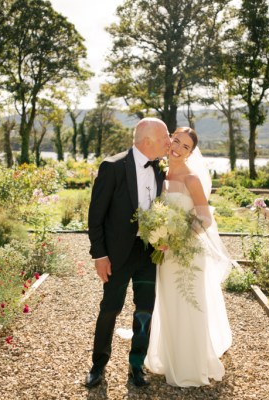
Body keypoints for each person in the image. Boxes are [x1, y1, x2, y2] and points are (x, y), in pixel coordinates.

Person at [145, 127, 234, 387]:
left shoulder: (192, 179)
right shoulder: (158, 172)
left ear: (191, 153)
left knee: (189, 305)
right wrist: (156, 233)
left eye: (186, 147)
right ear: (169, 139)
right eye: (176, 141)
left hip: (186, 255)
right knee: (167, 305)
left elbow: (205, 219)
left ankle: (189, 365)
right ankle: (167, 356)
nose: (178, 148)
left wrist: (176, 239)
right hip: (163, 254)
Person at [85, 117, 171, 388]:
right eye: (165, 136)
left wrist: (165, 236)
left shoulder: (160, 168)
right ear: (148, 141)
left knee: (144, 309)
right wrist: (100, 256)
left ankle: (137, 365)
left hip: (148, 252)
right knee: (110, 308)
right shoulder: (112, 167)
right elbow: (95, 216)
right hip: (117, 255)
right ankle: (98, 366)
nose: (169, 142)